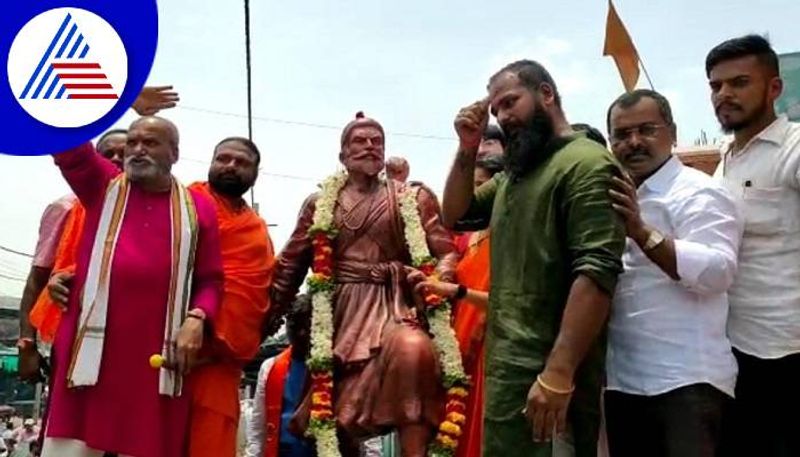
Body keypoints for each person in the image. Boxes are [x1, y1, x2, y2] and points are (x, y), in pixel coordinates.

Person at [441, 60, 625, 457]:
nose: (504, 116)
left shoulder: (587, 163)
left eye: (510, 102)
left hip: (553, 378)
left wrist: (559, 371)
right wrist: (467, 147)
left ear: (546, 94)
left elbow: (597, 272)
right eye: (496, 110)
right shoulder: (516, 174)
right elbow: (456, 215)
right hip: (509, 370)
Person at [269, 112, 458, 457]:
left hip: (394, 306)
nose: (370, 146)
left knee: (414, 350)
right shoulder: (320, 204)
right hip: (339, 313)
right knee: (335, 408)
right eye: (360, 140)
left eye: (377, 140)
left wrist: (439, 278)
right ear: (342, 155)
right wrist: (266, 316)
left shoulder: (412, 198)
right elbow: (290, 265)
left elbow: (445, 252)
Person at [40, 116, 224, 457]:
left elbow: (211, 279)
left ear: (175, 153)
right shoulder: (104, 186)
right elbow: (67, 142)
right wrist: (123, 103)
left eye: (150, 143)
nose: (137, 150)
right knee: (70, 448)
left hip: (156, 357)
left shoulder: (199, 207)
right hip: (92, 353)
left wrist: (198, 318)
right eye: (133, 142)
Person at [604, 89, 742, 457]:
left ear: (673, 133)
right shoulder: (613, 197)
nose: (634, 142)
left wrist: (642, 233)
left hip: (688, 382)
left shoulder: (699, 192)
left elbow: (719, 271)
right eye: (621, 134)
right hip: (624, 384)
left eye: (647, 130)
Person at [706, 35, 800, 456]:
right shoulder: (728, 156)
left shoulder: (793, 150)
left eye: (739, 82)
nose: (724, 94)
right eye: (716, 85)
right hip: (734, 347)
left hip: (786, 351)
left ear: (774, 88)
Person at [408, 154, 502, 457]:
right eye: (470, 187)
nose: (475, 195)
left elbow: (510, 302)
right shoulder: (470, 237)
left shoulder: (509, 238)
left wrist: (455, 291)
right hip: (460, 355)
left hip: (492, 353)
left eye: (482, 185)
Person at [186, 137, 276, 457]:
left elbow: (260, 296)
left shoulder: (257, 228)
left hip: (222, 363)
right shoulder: (184, 203)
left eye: (241, 162)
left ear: (256, 173)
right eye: (223, 158)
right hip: (172, 351)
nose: (231, 166)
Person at [246, 295, 315, 457]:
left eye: (307, 326)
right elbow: (258, 428)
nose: (301, 333)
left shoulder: (333, 367)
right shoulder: (270, 367)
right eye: (294, 326)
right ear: (287, 326)